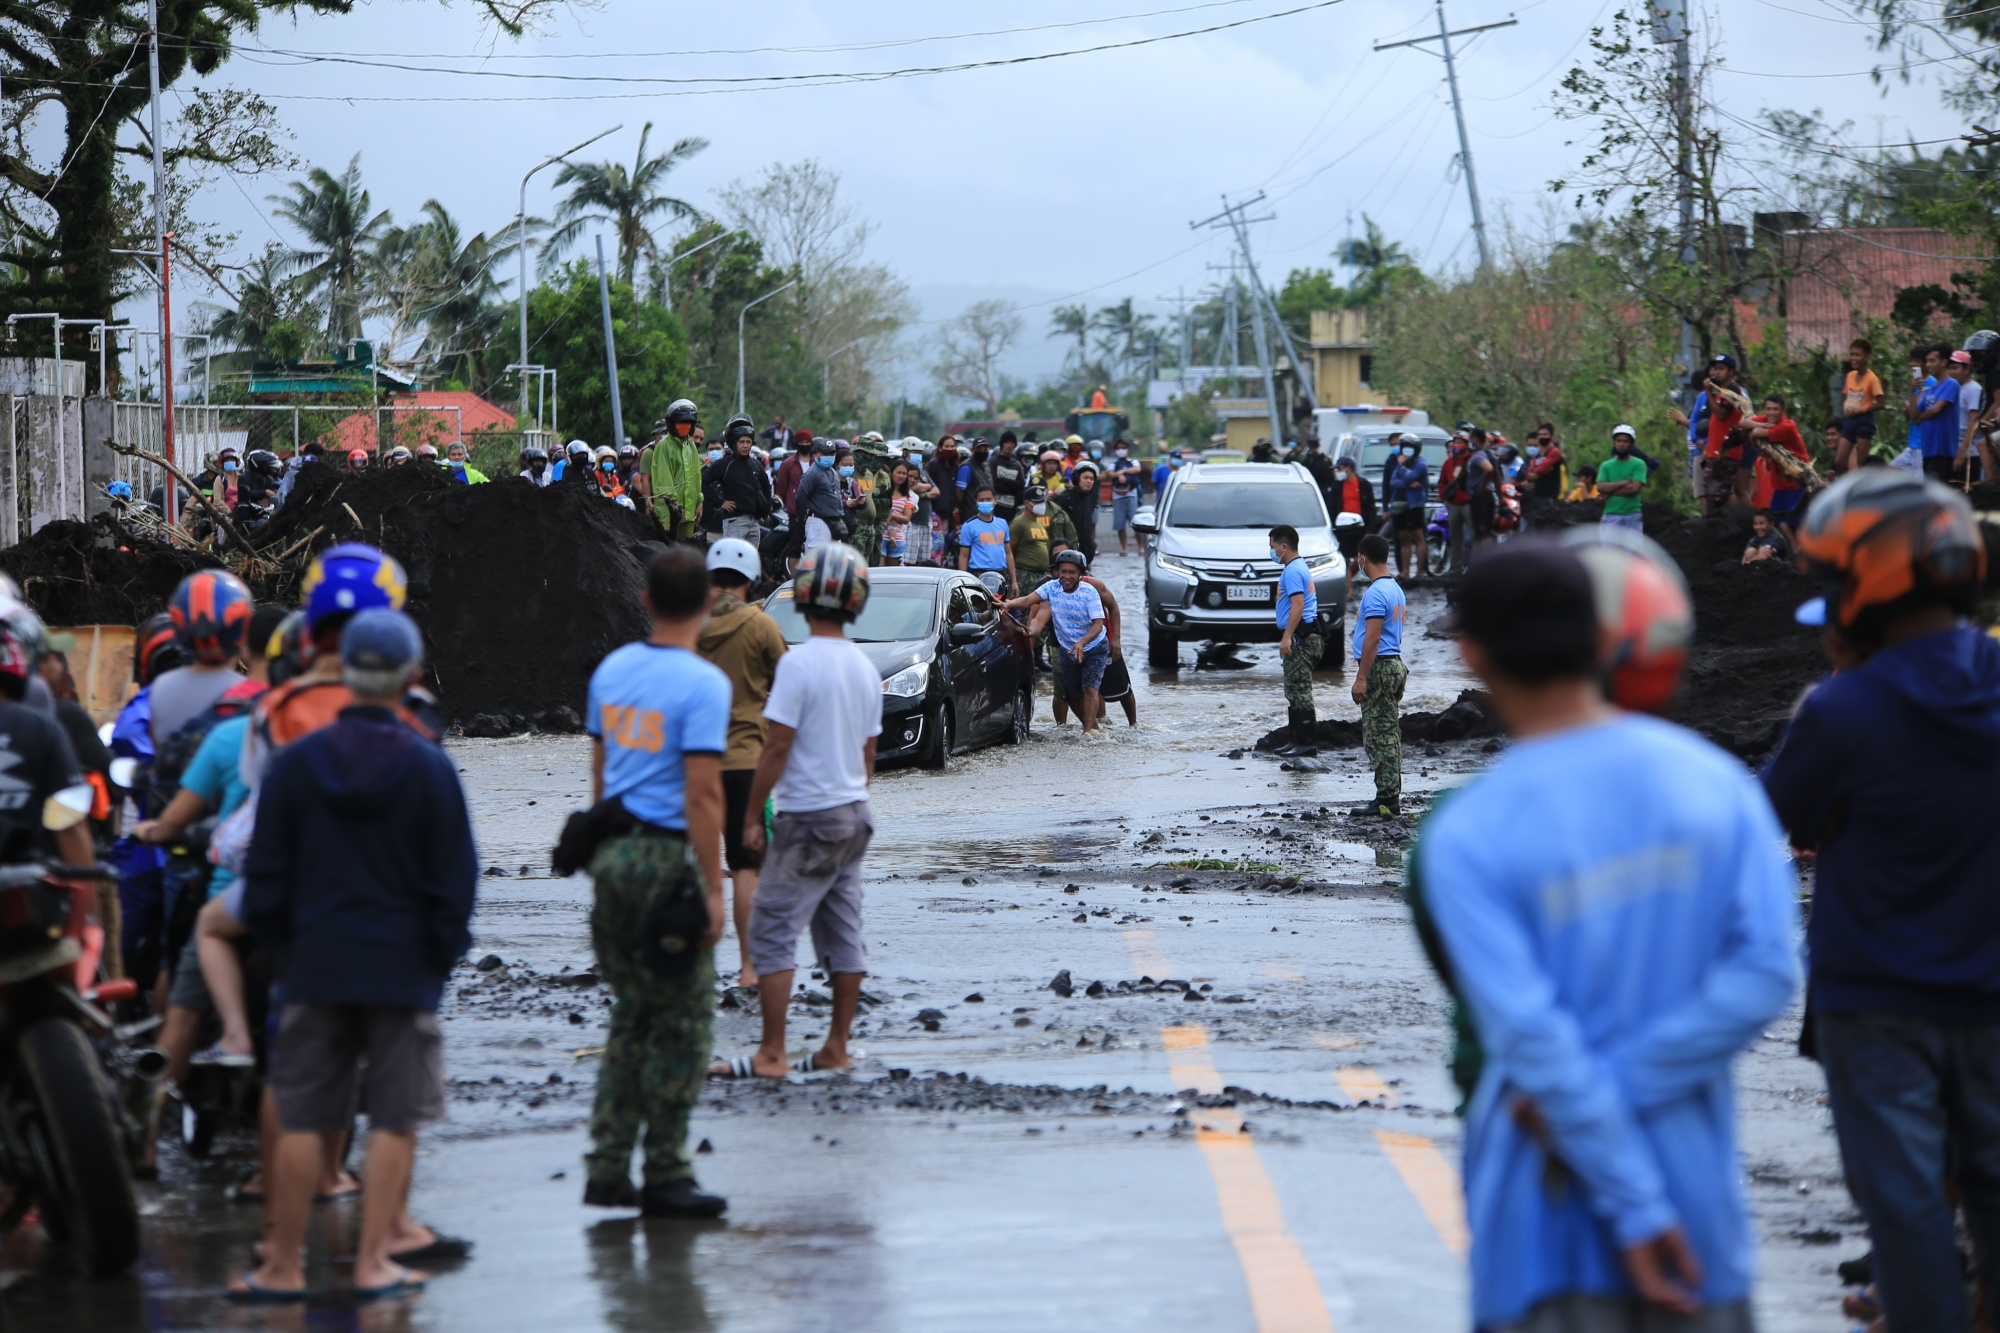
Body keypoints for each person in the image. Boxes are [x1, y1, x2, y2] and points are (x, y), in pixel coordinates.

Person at [1416, 540, 1796, 1333]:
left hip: (1540, 1233)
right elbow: (1764, 973)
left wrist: (1629, 1202)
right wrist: (1636, 1120)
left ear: (1471, 652)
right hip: (1697, 1221)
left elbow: (1530, 1038)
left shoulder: (1466, 831)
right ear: (1606, 640)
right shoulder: (1716, 784)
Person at [1761, 471, 2000, 1333]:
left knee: (1905, 1208)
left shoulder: (1843, 710)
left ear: (1869, 589)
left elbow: (1768, 819)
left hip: (1878, 1004)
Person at [232, 609, 476, 1304]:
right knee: (397, 1116)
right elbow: (455, 879)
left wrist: (285, 947)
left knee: (305, 1111)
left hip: (313, 961)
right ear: (407, 677)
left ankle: (280, 1266)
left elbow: (267, 873)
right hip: (403, 970)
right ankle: (373, 1262)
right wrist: (438, 958)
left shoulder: (298, 763)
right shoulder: (428, 765)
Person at [570, 548, 733, 1221]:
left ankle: (608, 1165)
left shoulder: (612, 670)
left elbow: (602, 775)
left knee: (633, 1011)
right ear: (709, 604)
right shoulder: (703, 683)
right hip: (666, 858)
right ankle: (666, 1168)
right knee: (685, 1022)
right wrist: (714, 887)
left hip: (614, 853)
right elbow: (701, 793)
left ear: (644, 601)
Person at [716, 543, 880, 1080]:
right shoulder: (862, 666)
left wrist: (750, 815)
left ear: (804, 595)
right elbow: (867, 755)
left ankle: (771, 1053)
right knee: (841, 929)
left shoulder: (800, 662)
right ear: (857, 601)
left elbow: (776, 747)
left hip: (808, 815)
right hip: (853, 812)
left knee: (771, 928)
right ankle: (836, 1047)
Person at [697, 539, 789, 989]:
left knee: (700, 864)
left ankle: (694, 968)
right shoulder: (761, 626)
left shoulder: (687, 625)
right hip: (743, 762)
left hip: (692, 763)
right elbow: (789, 686)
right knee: (747, 866)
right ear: (750, 577)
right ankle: (750, 969)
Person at [999, 549, 1109, 733]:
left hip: (1094, 646)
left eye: (1072, 572)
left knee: (1090, 689)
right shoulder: (1051, 587)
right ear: (1057, 571)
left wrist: (1082, 642)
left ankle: (1088, 732)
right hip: (1067, 648)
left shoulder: (1089, 592)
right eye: (1063, 571)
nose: (1066, 576)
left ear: (1081, 574)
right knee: (1071, 694)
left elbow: (1098, 625)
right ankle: (1093, 727)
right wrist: (1007, 604)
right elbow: (1027, 600)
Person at [1349, 533, 1407, 818]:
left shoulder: (1375, 593)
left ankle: (1386, 800)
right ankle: (1389, 794)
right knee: (1390, 732)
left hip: (1379, 667)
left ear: (1363, 558)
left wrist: (1361, 678)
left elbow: (1371, 639)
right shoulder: (1395, 588)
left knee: (1378, 735)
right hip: (1393, 663)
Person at [1269, 524, 1323, 757]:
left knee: (1299, 691)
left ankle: (1306, 744)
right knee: (1293, 690)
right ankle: (1296, 741)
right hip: (1304, 636)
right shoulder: (1298, 567)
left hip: (1301, 638)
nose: (1271, 552)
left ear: (1284, 546)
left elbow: (1298, 605)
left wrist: (1287, 636)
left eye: (1272, 547)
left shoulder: (1292, 571)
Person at [1701, 353, 1755, 513]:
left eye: (1721, 369)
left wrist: (1707, 391)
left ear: (1731, 372)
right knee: (1716, 495)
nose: (1716, 372)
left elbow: (1721, 414)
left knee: (1718, 497)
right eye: (1714, 369)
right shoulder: (1721, 392)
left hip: (1726, 452)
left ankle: (1742, 524)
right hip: (1715, 451)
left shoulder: (1732, 390)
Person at [708, 416, 773, 545]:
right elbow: (703, 482)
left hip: (754, 522)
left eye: (748, 442)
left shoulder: (755, 464)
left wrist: (764, 510)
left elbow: (766, 487)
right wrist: (720, 502)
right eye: (741, 442)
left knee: (750, 559)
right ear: (734, 443)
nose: (745, 445)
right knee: (733, 559)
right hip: (734, 521)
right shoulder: (724, 464)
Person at [649, 399, 704, 539]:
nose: (685, 427)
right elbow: (663, 481)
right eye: (681, 423)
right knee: (670, 550)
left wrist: (699, 502)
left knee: (686, 552)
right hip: (669, 513)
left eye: (688, 423)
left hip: (689, 511)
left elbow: (696, 478)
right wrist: (675, 505)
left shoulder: (691, 447)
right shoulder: (663, 446)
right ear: (671, 424)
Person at [789, 439, 850, 565]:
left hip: (833, 522)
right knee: (816, 562)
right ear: (817, 454)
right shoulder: (812, 473)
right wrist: (802, 518)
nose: (830, 457)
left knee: (834, 563)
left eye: (832, 454)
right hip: (818, 521)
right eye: (825, 454)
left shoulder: (832, 472)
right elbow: (800, 497)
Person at [1909, 343, 1961, 484]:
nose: (1928, 365)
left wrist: (1921, 417)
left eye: (1932, 361)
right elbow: (1913, 414)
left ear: (1944, 362)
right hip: (1928, 448)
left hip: (1943, 448)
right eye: (1927, 361)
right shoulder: (1930, 389)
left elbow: (1936, 409)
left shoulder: (1951, 384)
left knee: (1941, 491)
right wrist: (1913, 391)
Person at [956, 487, 1017, 595]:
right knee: (982, 609)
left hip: (1001, 574)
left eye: (988, 499)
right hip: (980, 574)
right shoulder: (969, 525)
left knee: (1008, 609)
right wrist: (963, 582)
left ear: (995, 501)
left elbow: (1008, 553)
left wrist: (1014, 581)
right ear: (976, 502)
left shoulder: (1002, 523)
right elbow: (963, 556)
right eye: (981, 500)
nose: (985, 502)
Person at [1838, 337, 1884, 474]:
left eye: (1858, 355)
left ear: (1867, 356)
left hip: (1864, 420)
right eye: (1852, 354)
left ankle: (1866, 489)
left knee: (1862, 462)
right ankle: (1842, 488)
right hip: (1850, 420)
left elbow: (1881, 403)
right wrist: (1846, 407)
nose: (1854, 358)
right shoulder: (1850, 375)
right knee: (1839, 460)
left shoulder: (1872, 379)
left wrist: (1861, 409)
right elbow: (1847, 395)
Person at [1387, 434, 1430, 579]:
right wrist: (1408, 484)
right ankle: (1405, 571)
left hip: (1414, 506)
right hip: (1399, 505)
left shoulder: (1421, 464)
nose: (1406, 451)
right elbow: (1393, 482)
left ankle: (1419, 572)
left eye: (1409, 448)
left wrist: (1402, 469)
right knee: (1404, 538)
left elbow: (1410, 477)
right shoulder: (1400, 463)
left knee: (1418, 537)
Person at [1950, 347, 1994, 482]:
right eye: (1949, 368)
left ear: (1967, 370)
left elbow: (1973, 421)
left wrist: (1962, 451)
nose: (1951, 372)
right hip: (1955, 448)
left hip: (1969, 453)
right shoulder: (1957, 388)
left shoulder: (1973, 389)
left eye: (1955, 368)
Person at [1597, 426, 1648, 533]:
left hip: (1632, 515)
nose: (1621, 444)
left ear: (1631, 444)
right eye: (1618, 441)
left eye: (1625, 441)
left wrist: (1609, 489)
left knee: (1633, 549)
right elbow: (1600, 487)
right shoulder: (1606, 466)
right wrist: (1622, 483)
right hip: (1611, 515)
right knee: (1609, 549)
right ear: (1614, 442)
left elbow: (1634, 489)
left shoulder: (1639, 464)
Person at [1520, 423, 1564, 529]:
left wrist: (1538, 471)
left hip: (1548, 497)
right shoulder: (1538, 453)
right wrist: (1538, 471)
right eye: (1540, 435)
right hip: (1535, 497)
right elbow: (1529, 474)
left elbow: (1540, 470)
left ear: (1551, 436)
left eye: (1545, 434)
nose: (1542, 437)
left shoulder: (1554, 452)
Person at [1055, 461, 1100, 566]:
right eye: (1085, 478)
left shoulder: (1089, 500)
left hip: (1085, 556)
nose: (1089, 481)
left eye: (1091, 479)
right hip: (1068, 556)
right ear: (1076, 478)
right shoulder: (1064, 499)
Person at [1105, 442, 1143, 555]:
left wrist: (1123, 471)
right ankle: (1124, 548)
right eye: (1118, 448)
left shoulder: (1133, 462)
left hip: (1132, 495)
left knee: (1137, 524)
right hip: (1118, 497)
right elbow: (1110, 474)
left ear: (1127, 449)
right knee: (1120, 524)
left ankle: (1141, 547)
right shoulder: (1113, 464)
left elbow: (1137, 469)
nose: (1120, 450)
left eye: (1123, 448)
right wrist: (1119, 475)